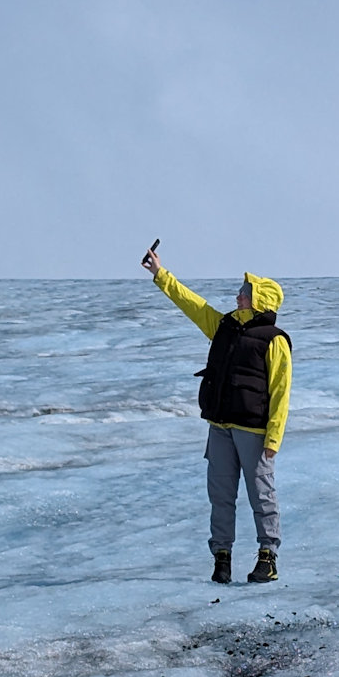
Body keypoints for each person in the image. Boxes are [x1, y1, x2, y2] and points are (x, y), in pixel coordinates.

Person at [142, 244, 291, 584]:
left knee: (261, 496)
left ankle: (268, 557)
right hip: (220, 428)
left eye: (245, 291)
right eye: (241, 291)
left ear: (260, 300)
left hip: (254, 432)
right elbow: (192, 305)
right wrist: (160, 275)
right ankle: (221, 558)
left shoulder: (275, 341)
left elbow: (281, 392)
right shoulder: (224, 326)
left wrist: (273, 439)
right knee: (220, 498)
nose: (239, 295)